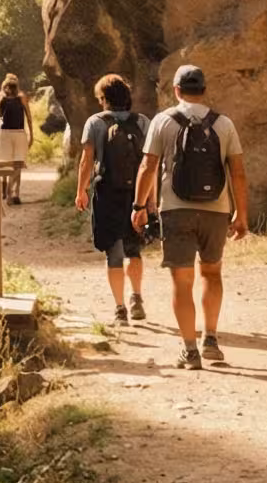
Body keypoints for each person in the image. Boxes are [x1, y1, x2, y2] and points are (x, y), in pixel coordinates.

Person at [133, 63, 250, 370]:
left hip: (176, 209)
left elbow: (148, 166)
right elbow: (237, 172)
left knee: (182, 281)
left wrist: (139, 206)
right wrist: (241, 214)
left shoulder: (163, 121)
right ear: (204, 90)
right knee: (212, 274)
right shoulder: (223, 124)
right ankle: (210, 339)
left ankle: (189, 349)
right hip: (216, 209)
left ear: (176, 90)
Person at [73, 74, 148, 327]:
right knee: (134, 249)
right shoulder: (142, 122)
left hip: (107, 193)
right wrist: (149, 201)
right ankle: (137, 297)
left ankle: (120, 309)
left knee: (113, 253)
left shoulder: (95, 122)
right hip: (136, 194)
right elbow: (150, 164)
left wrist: (81, 191)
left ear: (104, 99)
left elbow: (86, 160)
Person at [0, 74, 32, 202]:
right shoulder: (1, 98)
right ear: (5, 87)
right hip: (5, 133)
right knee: (6, 163)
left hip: (19, 132)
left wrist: (31, 134)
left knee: (18, 163)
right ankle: (8, 191)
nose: (11, 88)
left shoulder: (21, 98)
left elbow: (29, 117)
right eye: (9, 86)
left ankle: (14, 193)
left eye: (13, 86)